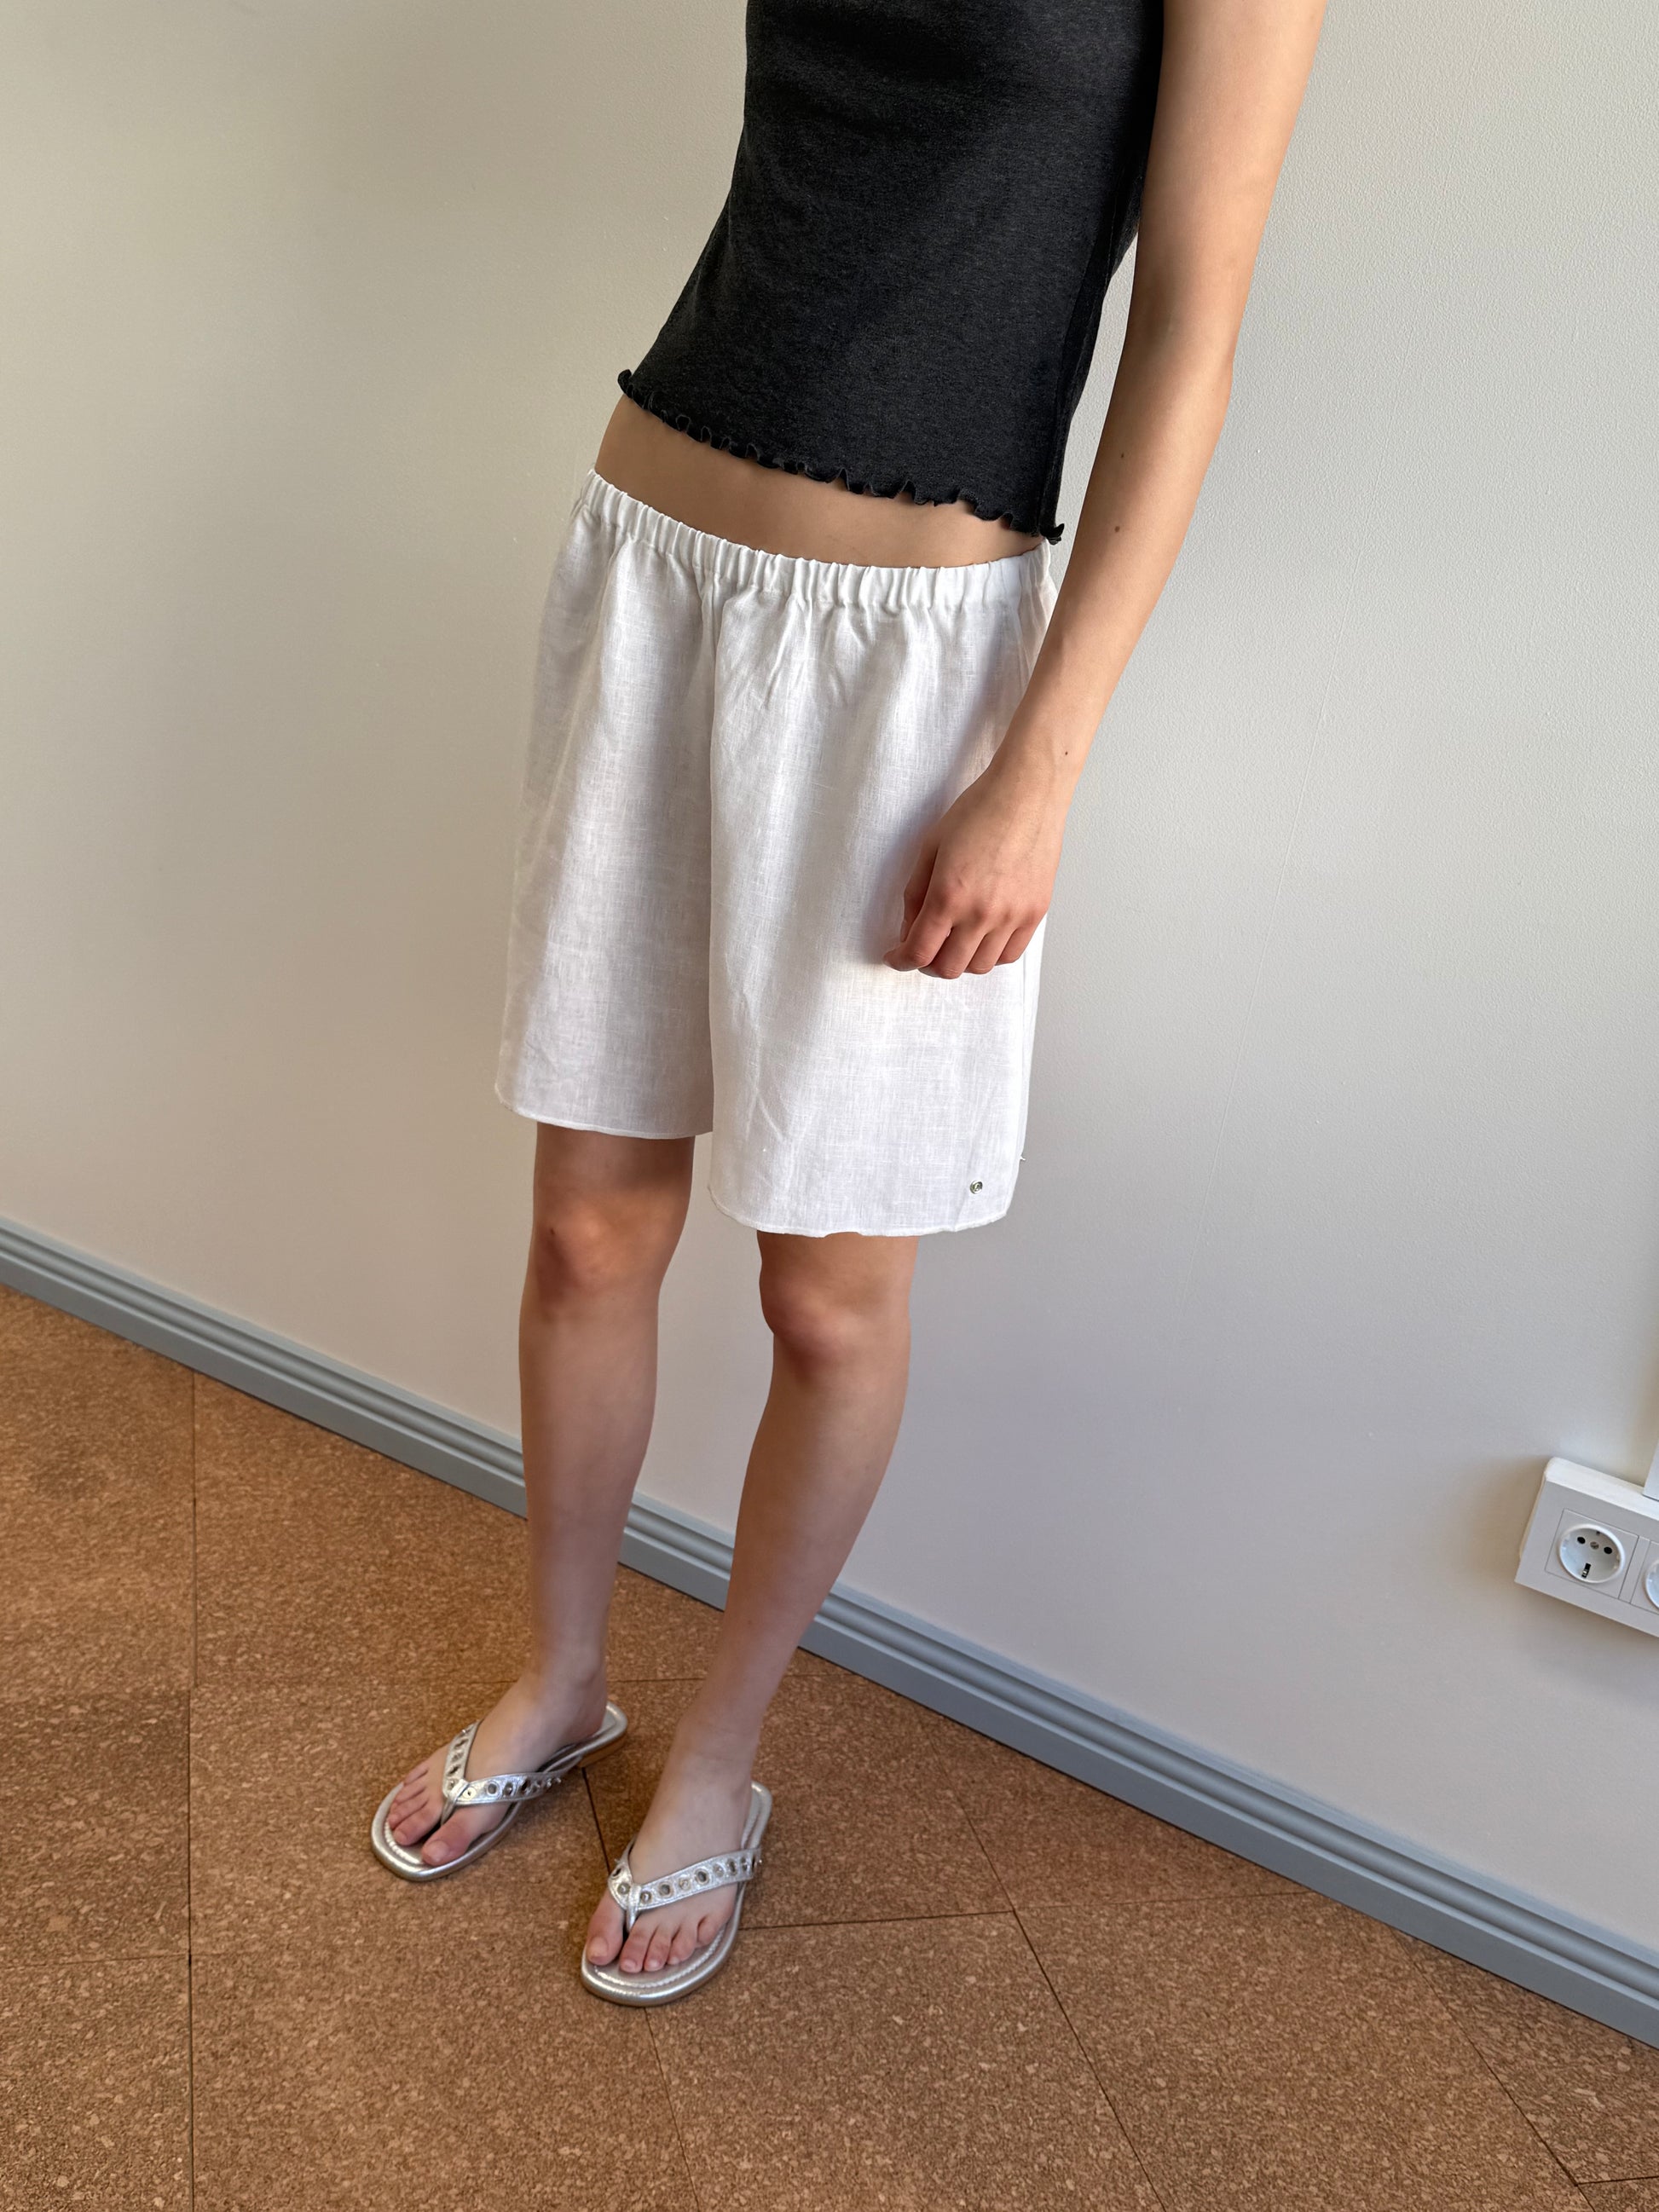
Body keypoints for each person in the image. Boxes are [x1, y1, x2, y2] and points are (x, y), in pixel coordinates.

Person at [371, 0, 1327, 2004]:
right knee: (587, 1219)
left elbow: (1189, 338)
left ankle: (717, 1754)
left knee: (827, 1289)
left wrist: (1043, 760)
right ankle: (562, 1677)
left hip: (919, 667)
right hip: (652, 560)